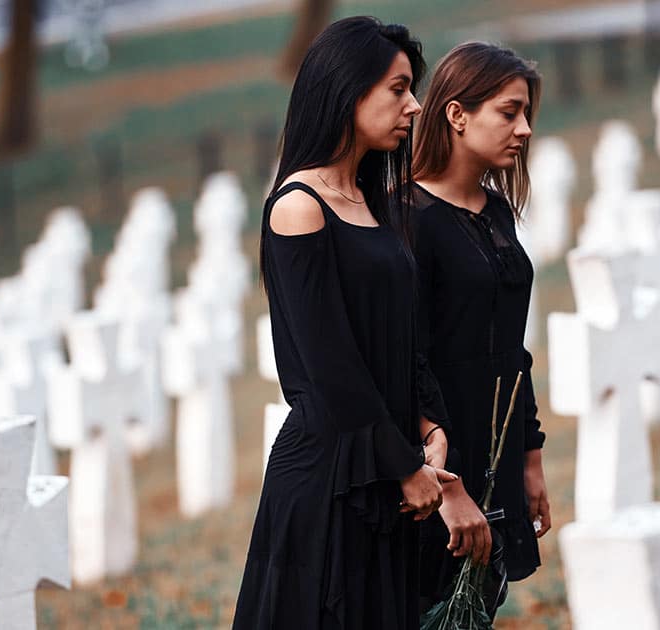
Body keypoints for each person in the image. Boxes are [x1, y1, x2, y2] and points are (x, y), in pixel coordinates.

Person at [233, 16, 456, 629]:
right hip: (328, 477)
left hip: (385, 463)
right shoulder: (299, 208)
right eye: (398, 88)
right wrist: (406, 466)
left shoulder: (372, 198)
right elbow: (332, 366)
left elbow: (402, 332)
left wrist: (430, 422)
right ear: (345, 90)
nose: (414, 105)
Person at [410, 41, 551, 616]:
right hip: (437, 462)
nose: (523, 130)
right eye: (509, 112)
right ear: (457, 114)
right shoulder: (408, 218)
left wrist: (530, 455)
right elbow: (407, 361)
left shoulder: (495, 213)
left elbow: (510, 347)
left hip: (499, 451)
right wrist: (447, 483)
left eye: (526, 115)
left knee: (479, 610)